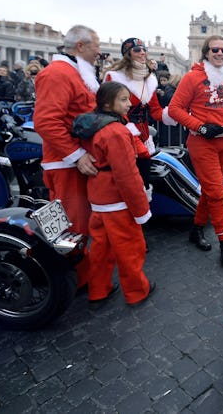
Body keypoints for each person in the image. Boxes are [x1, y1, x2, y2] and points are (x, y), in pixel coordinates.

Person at [168, 36, 223, 266]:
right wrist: (199, 126)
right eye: (215, 49)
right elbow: (174, 108)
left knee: (210, 190)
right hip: (201, 142)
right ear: (206, 52)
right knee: (217, 193)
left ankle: (196, 230)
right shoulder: (192, 77)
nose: (220, 53)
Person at [71, 81, 155, 307]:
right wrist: (141, 209)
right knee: (130, 249)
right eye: (124, 99)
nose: (129, 104)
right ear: (108, 103)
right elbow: (127, 174)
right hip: (117, 200)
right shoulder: (116, 131)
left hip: (98, 196)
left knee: (101, 248)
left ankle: (98, 289)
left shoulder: (94, 124)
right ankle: (137, 291)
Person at [34, 24, 101, 291]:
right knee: (73, 224)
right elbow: (46, 121)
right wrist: (76, 155)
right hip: (66, 163)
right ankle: (79, 280)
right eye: (96, 45)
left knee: (79, 220)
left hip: (74, 160)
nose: (99, 51)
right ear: (81, 46)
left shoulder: (74, 72)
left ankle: (80, 274)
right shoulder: (58, 74)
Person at [104, 37, 176, 190]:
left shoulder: (149, 79)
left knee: (144, 174)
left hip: (143, 135)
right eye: (137, 50)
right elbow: (109, 110)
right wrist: (130, 131)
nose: (142, 53)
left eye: (144, 49)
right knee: (130, 174)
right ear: (128, 54)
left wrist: (175, 113)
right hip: (123, 133)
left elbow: (156, 111)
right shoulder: (115, 77)